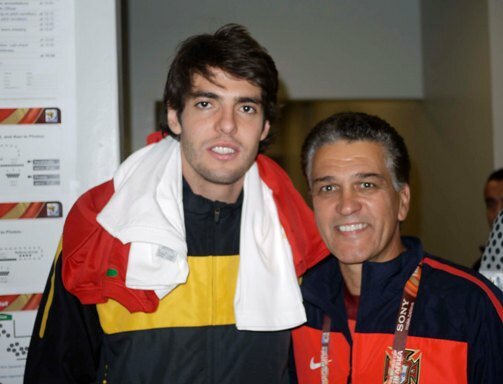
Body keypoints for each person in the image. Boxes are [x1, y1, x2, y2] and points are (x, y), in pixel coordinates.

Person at [24, 24, 327, 383]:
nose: (227, 125)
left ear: (263, 127)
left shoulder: (301, 232)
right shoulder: (102, 221)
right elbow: (55, 371)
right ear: (174, 116)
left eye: (246, 107)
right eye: (205, 103)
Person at [291, 112, 503, 383]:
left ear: (402, 201)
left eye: (366, 185)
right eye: (328, 188)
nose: (346, 205)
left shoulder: (471, 306)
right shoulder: (296, 305)